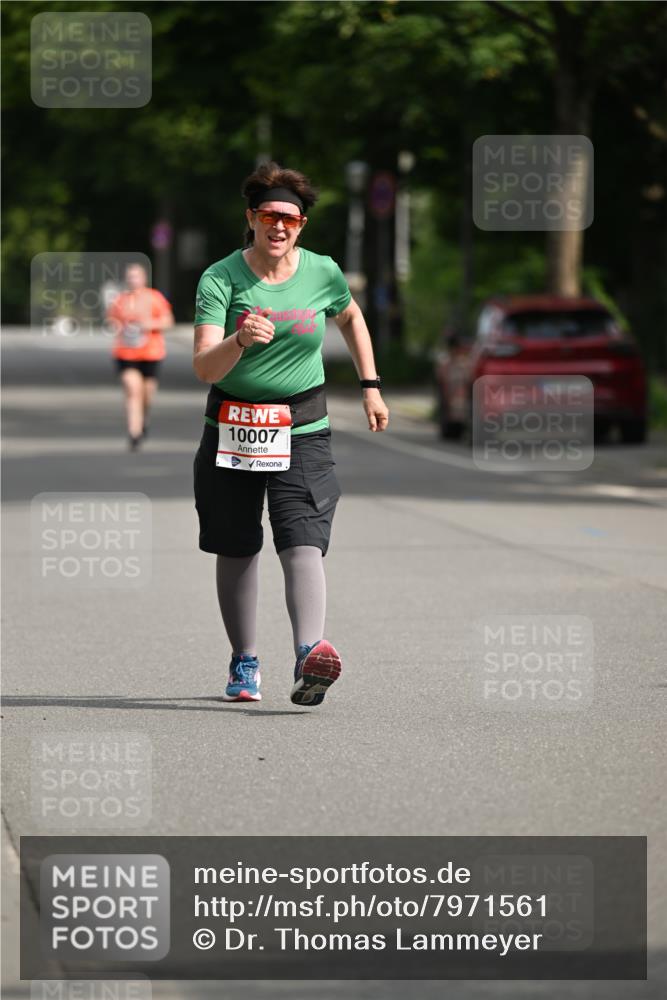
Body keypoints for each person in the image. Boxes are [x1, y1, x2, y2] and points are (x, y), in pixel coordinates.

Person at [192, 162, 389, 707]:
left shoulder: (322, 272)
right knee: (236, 544)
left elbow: (351, 318)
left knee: (303, 535)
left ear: (301, 226)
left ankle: (309, 656)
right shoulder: (221, 278)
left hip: (303, 424)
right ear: (251, 218)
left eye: (291, 219)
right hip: (233, 425)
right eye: (270, 216)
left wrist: (371, 386)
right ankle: (245, 659)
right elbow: (204, 367)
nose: (279, 227)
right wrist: (237, 340)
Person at [107, 262, 174, 450]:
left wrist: (148, 324)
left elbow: (168, 321)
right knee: (132, 389)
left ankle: (143, 419)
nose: (133, 280)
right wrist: (116, 326)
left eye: (136, 276)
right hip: (125, 352)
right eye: (130, 276)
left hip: (151, 353)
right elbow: (112, 320)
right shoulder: (120, 300)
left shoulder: (154, 298)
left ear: (144, 278)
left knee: (147, 394)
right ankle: (134, 432)